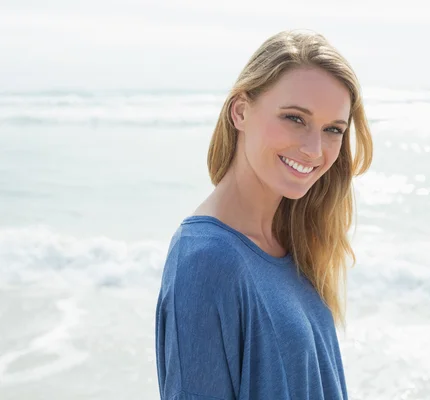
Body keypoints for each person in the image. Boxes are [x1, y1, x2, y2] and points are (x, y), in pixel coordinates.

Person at [154, 29, 373, 400]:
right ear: (240, 111)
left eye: (333, 129)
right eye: (295, 118)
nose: (314, 149)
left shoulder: (292, 244)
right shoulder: (207, 259)